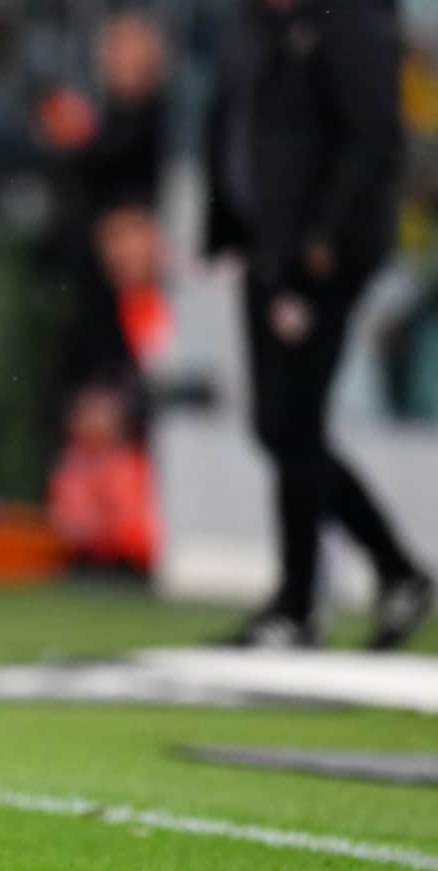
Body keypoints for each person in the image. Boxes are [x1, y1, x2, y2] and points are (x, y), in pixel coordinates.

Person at [206, 0, 433, 648]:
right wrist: (228, 225)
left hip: (317, 257)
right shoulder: (256, 24)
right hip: (265, 248)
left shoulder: (350, 21)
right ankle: (390, 573)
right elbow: (234, 123)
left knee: (293, 422)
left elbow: (373, 138)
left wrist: (322, 241)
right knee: (279, 426)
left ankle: (303, 600)